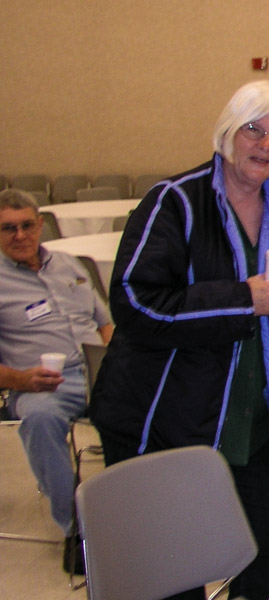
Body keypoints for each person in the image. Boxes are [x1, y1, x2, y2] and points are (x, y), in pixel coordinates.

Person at [90, 80, 269, 599]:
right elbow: (135, 302)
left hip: (252, 425)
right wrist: (246, 299)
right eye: (253, 130)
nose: (265, 146)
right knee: (171, 578)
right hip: (165, 424)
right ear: (227, 132)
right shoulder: (174, 202)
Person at [0, 189, 113, 573]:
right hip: (40, 384)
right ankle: (78, 531)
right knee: (39, 421)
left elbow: (105, 323)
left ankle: (134, 512)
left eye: (26, 225)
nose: (19, 235)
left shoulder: (70, 264)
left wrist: (118, 359)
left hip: (99, 370)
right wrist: (19, 378)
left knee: (151, 404)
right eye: (7, 228)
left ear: (40, 225)